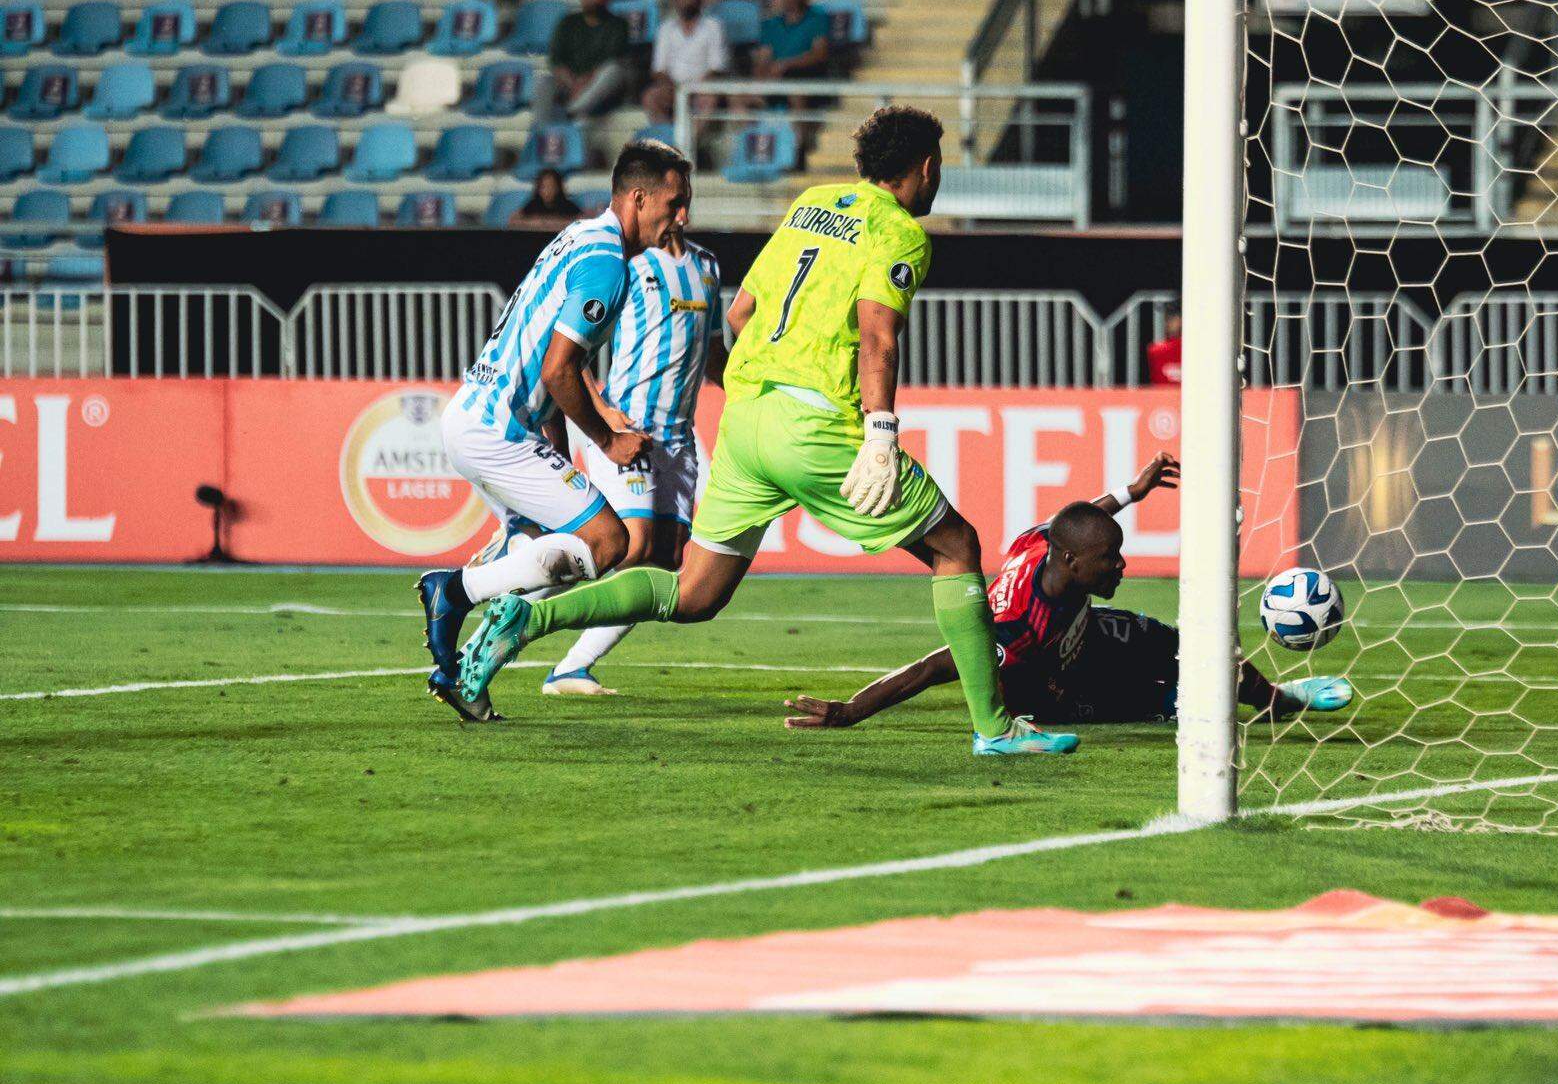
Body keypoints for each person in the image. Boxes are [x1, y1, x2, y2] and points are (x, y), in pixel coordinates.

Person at [454, 107, 1079, 756]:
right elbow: (877, 336)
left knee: (693, 593)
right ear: (925, 167)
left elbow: (744, 311)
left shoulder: (810, 203)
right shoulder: (899, 232)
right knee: (956, 546)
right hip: (814, 426)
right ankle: (995, 730)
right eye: (939, 166)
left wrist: (775, 387)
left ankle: (529, 615)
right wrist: (879, 431)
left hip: (746, 416)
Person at [416, 139, 693, 721]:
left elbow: (553, 360)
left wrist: (562, 457)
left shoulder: (578, 235)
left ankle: (466, 673)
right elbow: (559, 370)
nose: (681, 216)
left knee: (546, 546)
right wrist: (608, 441)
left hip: (478, 414)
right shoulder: (608, 265)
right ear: (639, 198)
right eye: (674, 201)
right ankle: (456, 591)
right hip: (500, 430)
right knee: (609, 543)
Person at [785, 462, 1354, 730]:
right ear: (1073, 564)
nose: (1122, 564)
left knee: (1194, 645)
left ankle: (1277, 698)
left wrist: (1129, 493)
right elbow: (934, 667)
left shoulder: (1047, 542)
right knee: (1161, 706)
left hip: (1090, 631)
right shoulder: (1015, 620)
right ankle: (1170, 701)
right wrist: (850, 712)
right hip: (1052, 683)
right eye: (1112, 559)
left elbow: (1085, 518)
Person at [540, 172, 723, 695]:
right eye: (676, 204)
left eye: (688, 204)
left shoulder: (707, 267)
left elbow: (714, 358)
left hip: (679, 440)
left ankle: (570, 668)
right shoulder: (629, 264)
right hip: (629, 428)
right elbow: (575, 353)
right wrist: (602, 413)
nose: (682, 216)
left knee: (666, 559)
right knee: (632, 546)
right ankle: (517, 600)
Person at [537, 0, 633, 125]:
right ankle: (540, 131)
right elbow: (556, 60)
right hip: (569, 83)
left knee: (614, 70)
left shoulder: (618, 24)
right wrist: (572, 83)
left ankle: (570, 111)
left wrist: (584, 83)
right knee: (543, 81)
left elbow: (610, 58)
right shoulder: (568, 22)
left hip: (597, 85)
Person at [641, 0, 728, 123]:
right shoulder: (665, 28)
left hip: (702, 88)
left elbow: (717, 67)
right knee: (651, 96)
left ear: (700, 0)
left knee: (709, 99)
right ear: (676, 0)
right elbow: (658, 69)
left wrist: (693, 89)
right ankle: (666, 142)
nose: (688, 1)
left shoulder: (713, 26)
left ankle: (689, 143)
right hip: (672, 87)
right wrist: (671, 87)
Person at [753, 0, 830, 87]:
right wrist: (761, 79)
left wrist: (786, 64)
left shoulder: (817, 17)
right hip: (773, 78)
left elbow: (819, 53)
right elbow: (763, 58)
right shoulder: (770, 24)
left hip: (804, 76)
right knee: (737, 96)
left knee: (793, 81)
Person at [509, 168, 581, 230]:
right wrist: (535, 223)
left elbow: (582, 222)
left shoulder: (567, 205)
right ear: (538, 188)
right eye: (544, 187)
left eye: (551, 186)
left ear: (558, 188)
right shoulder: (533, 204)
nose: (547, 191)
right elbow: (513, 220)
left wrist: (554, 223)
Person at [1145, 303, 1182, 385]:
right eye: (1166, 318)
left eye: (1171, 318)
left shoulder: (1198, 349)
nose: (1166, 323)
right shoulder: (1155, 350)